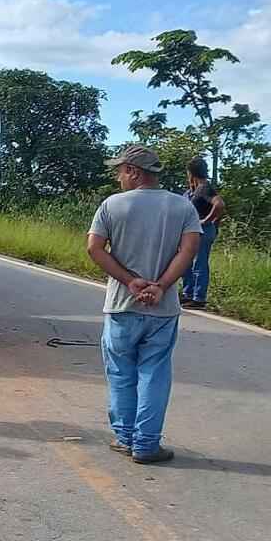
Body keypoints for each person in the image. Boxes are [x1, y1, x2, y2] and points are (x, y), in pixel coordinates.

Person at [87, 145, 201, 465]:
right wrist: (161, 285)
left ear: (134, 172)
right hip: (163, 310)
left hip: (122, 305)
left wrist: (130, 281)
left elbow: (94, 248)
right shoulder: (182, 206)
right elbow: (188, 250)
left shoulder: (112, 205)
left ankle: (125, 438)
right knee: (154, 372)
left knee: (121, 372)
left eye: (121, 170)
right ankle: (147, 444)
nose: (118, 177)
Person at [181, 157, 225, 310]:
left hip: (203, 230)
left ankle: (198, 298)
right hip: (196, 231)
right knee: (187, 262)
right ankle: (188, 294)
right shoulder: (195, 190)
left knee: (198, 263)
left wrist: (206, 220)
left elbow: (219, 204)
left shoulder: (205, 188)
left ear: (191, 173)